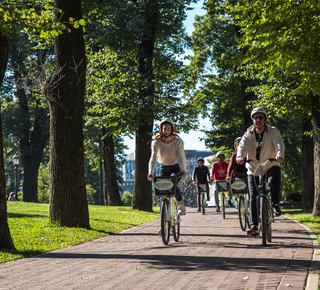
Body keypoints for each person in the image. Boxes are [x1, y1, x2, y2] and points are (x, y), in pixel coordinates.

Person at [236, 107, 285, 238]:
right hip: (253, 168)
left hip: (270, 164)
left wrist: (279, 155)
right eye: (255, 117)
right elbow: (242, 146)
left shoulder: (273, 131)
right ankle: (254, 226)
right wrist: (240, 157)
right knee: (253, 195)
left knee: (273, 182)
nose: (258, 120)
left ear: (265, 119)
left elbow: (279, 143)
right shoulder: (248, 134)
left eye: (261, 117)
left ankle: (275, 203)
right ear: (252, 120)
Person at [147, 118, 187, 216]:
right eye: (164, 129)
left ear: (172, 129)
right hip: (163, 168)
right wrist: (150, 172)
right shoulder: (157, 142)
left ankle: (181, 204)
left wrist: (183, 169)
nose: (166, 131)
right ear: (161, 129)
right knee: (162, 191)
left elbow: (182, 157)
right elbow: (153, 158)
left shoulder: (178, 141)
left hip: (175, 168)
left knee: (172, 183)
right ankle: (163, 223)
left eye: (168, 129)